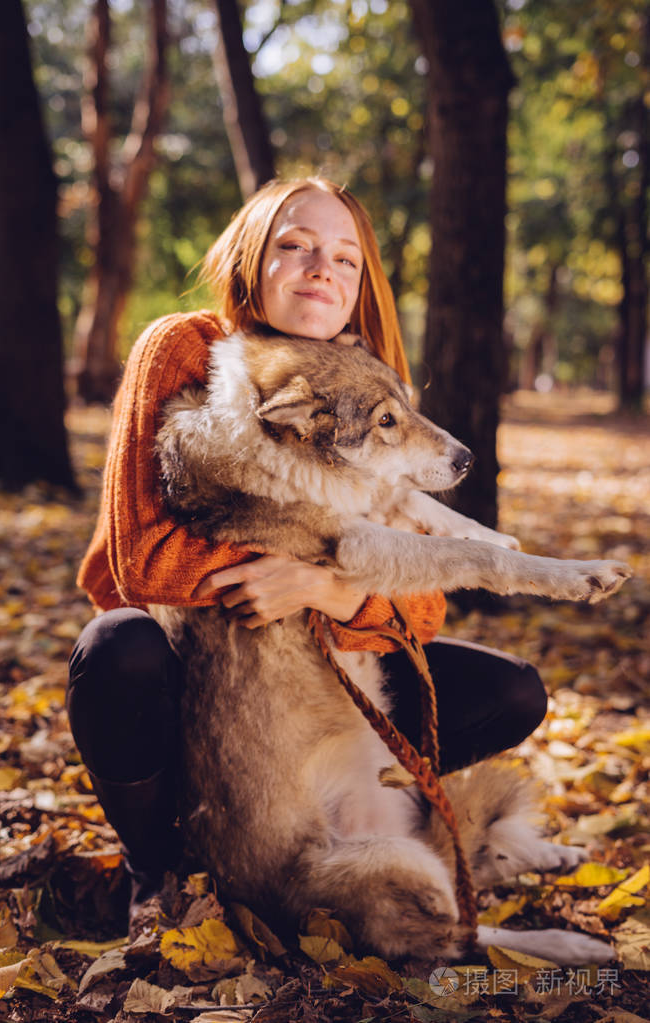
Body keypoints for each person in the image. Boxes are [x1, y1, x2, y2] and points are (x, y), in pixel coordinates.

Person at [68, 177, 547, 933]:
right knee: (113, 646)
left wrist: (322, 587)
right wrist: (271, 575)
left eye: (344, 258)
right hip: (201, 674)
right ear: (252, 261)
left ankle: (345, 818)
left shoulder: (363, 378)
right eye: (294, 246)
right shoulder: (184, 347)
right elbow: (142, 563)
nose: (321, 267)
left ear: (360, 288)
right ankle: (153, 865)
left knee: (514, 690)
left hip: (322, 676)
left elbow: (418, 611)